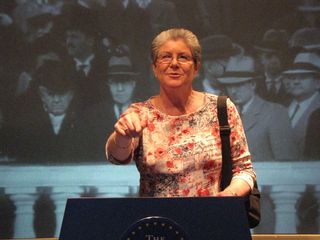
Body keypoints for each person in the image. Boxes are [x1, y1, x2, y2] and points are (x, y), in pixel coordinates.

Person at [105, 28, 256, 198]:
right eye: (166, 57)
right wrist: (122, 136)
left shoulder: (221, 108)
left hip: (210, 219)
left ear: (196, 67)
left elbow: (244, 170)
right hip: (159, 222)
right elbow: (115, 157)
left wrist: (230, 195)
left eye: (183, 57)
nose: (174, 63)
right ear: (154, 68)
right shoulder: (140, 113)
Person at [217, 55, 299, 161]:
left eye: (239, 85)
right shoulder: (223, 113)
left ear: (252, 84)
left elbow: (287, 162)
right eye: (229, 85)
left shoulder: (275, 113)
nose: (233, 91)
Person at [78, 51, 141, 161]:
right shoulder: (92, 115)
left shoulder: (146, 113)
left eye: (125, 82)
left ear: (133, 83)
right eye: (114, 82)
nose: (120, 88)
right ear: (108, 84)